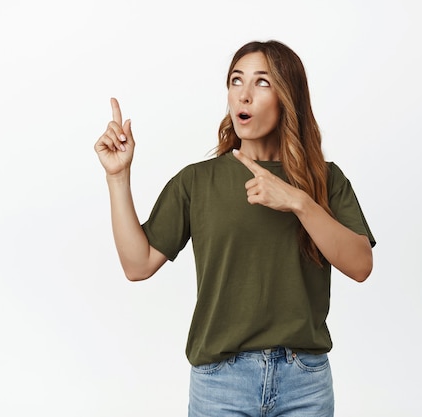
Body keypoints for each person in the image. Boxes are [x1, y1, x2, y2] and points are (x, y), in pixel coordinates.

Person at [95, 40, 376, 417]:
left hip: (304, 383)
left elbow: (361, 265)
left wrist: (299, 202)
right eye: (235, 80)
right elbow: (138, 264)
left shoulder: (325, 180)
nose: (243, 95)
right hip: (220, 385)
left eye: (262, 83)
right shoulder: (197, 182)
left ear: (287, 97)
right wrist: (118, 177)